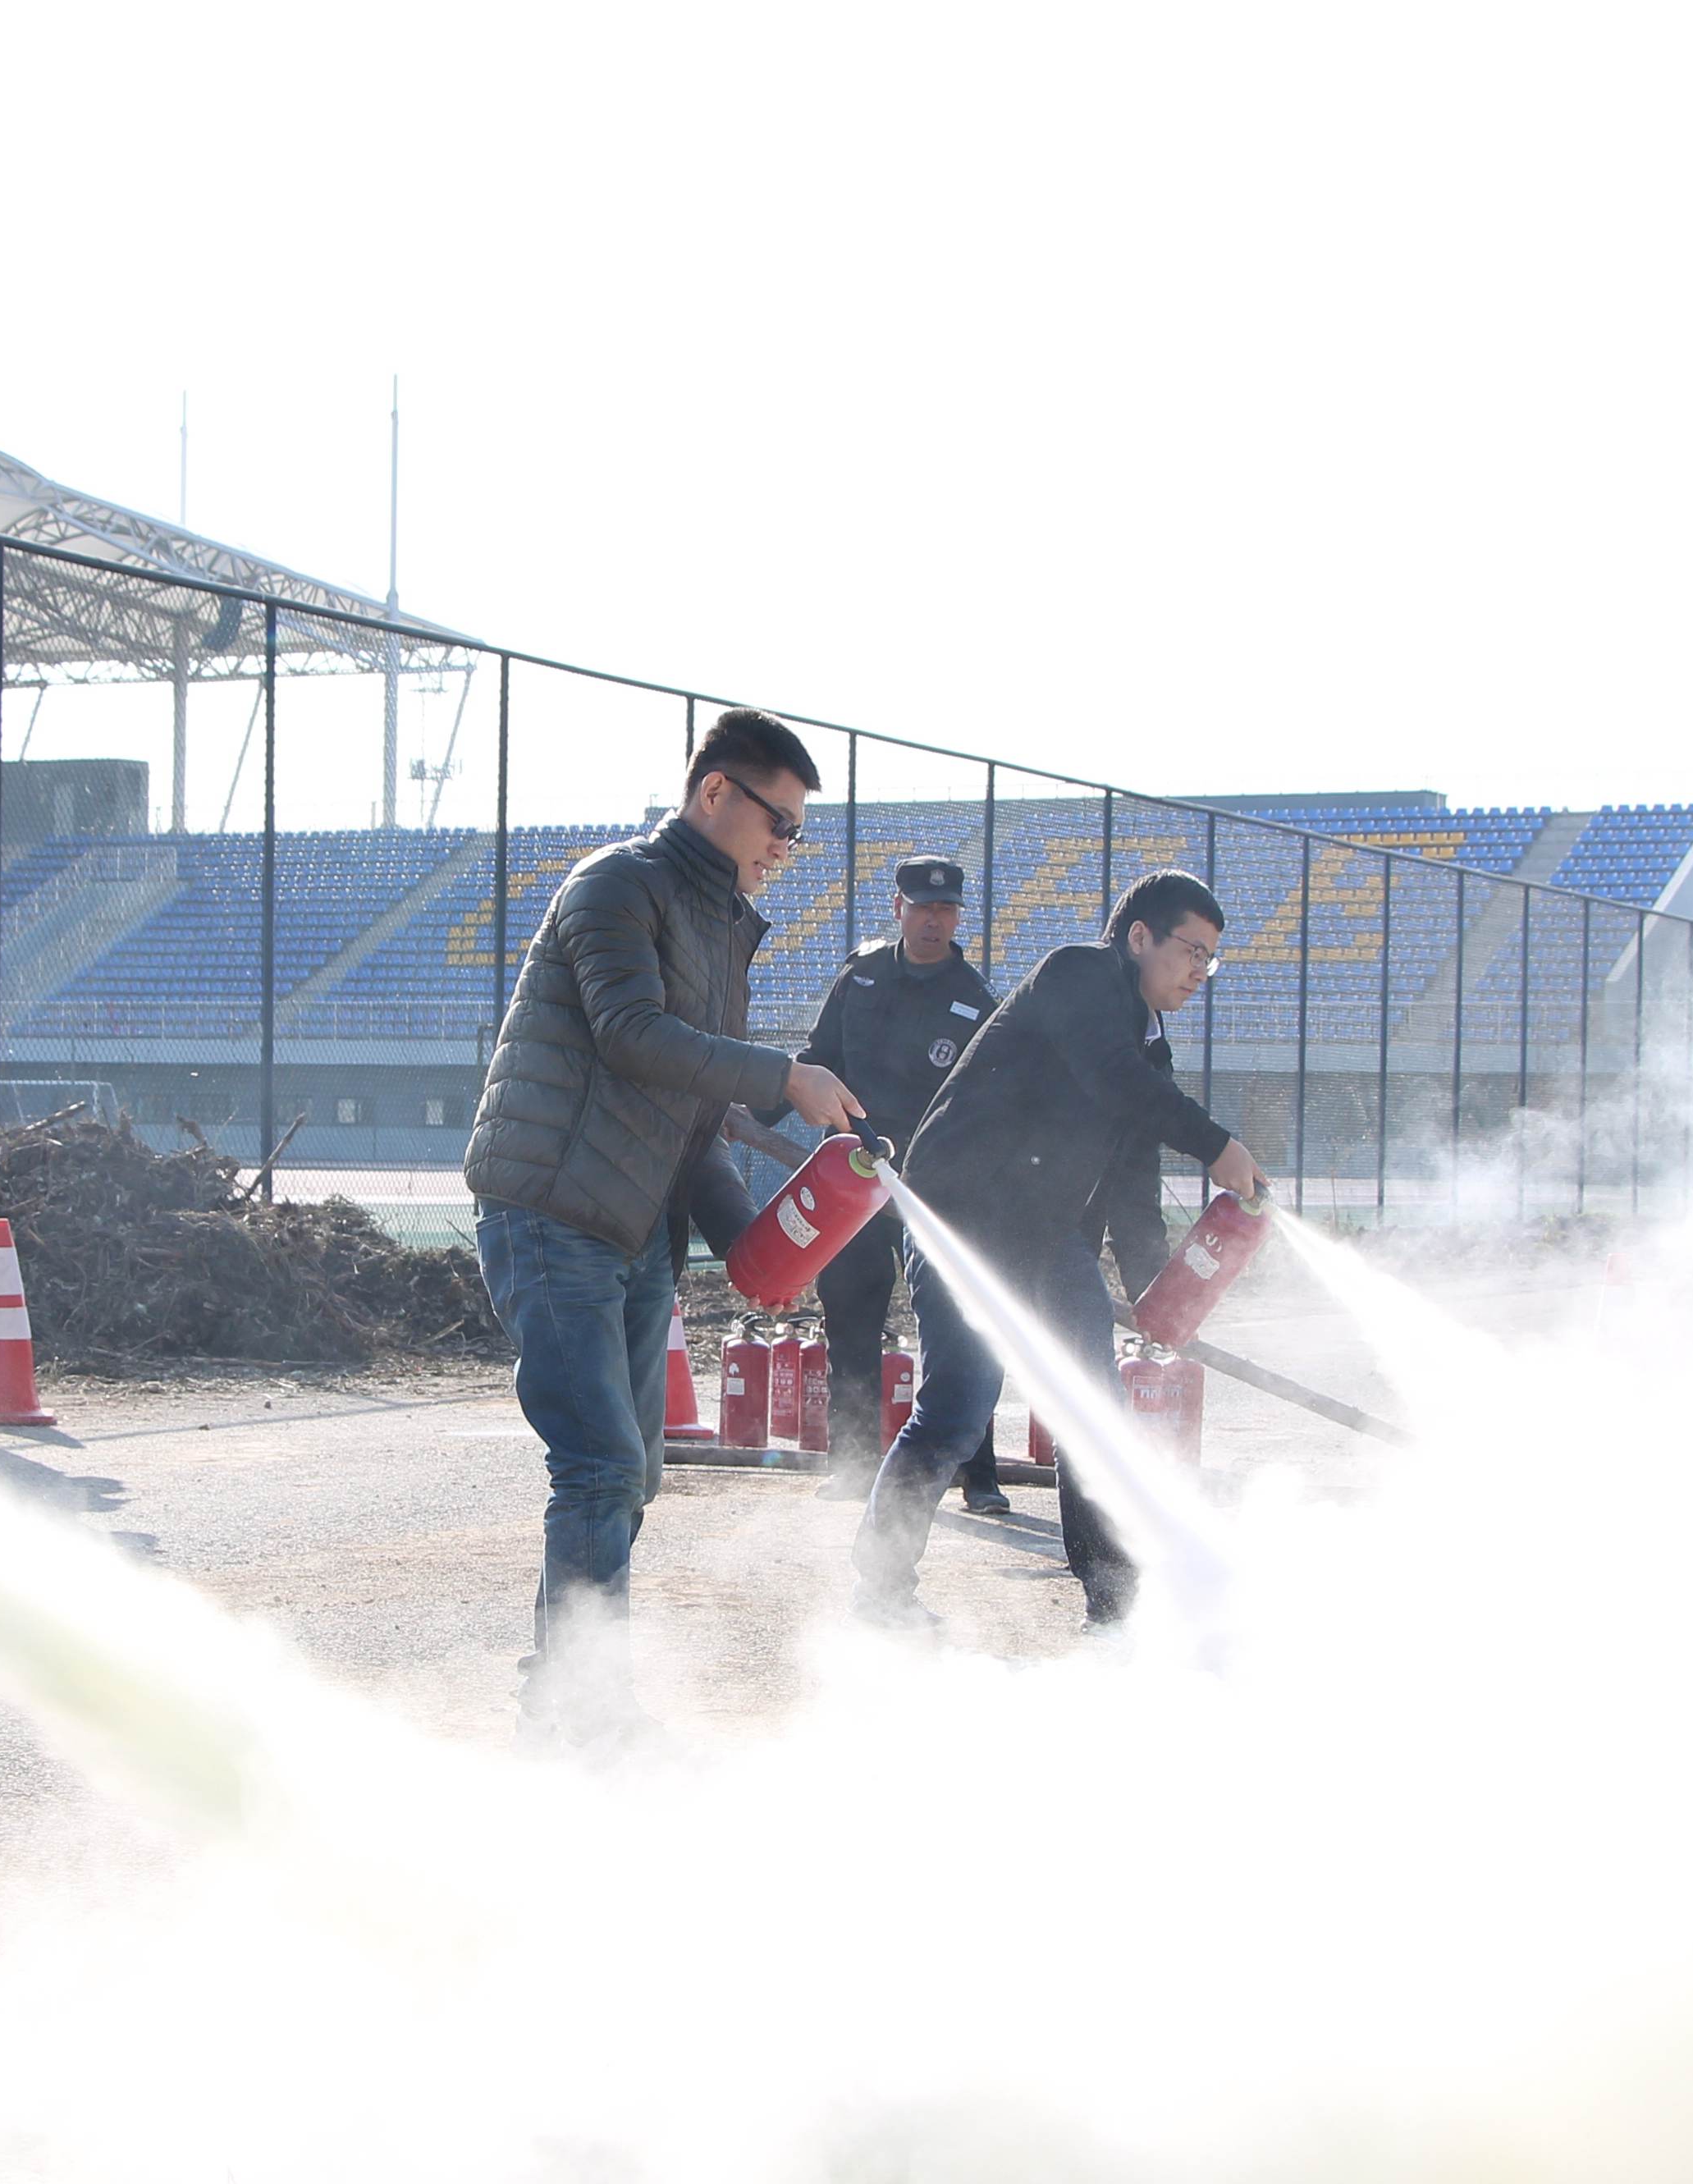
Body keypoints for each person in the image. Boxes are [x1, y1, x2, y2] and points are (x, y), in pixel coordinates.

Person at [464, 707, 868, 1743]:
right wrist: (784, 1073)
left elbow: (695, 1115)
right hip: (552, 1210)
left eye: (797, 832)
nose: (787, 848)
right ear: (716, 794)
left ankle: (568, 1685)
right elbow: (634, 1036)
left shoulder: (722, 927)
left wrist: (751, 1246)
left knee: (633, 1470)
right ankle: (579, 1717)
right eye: (779, 822)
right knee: (599, 1463)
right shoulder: (617, 885)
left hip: (638, 1226)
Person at [844, 870, 1270, 1633]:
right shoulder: (1077, 973)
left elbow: (1135, 1190)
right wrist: (1215, 1145)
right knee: (958, 1408)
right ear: (1139, 937)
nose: (1200, 971)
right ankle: (878, 1592)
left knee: (1094, 1413)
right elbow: (1108, 1078)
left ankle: (1113, 1608)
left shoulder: (1153, 1055)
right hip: (963, 1219)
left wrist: (1159, 1300)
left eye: (1212, 958)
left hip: (1049, 1238)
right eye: (1191, 951)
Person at [784, 854, 1009, 1511]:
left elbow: (988, 1104)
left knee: (957, 1328)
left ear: (958, 916)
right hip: (849, 1181)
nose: (933, 920)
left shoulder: (975, 1001)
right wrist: (753, 1106)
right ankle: (851, 1465)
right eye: (921, 907)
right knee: (850, 1320)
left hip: (933, 1190)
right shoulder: (860, 976)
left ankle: (978, 1473)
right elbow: (817, 1059)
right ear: (897, 909)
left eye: (945, 910)